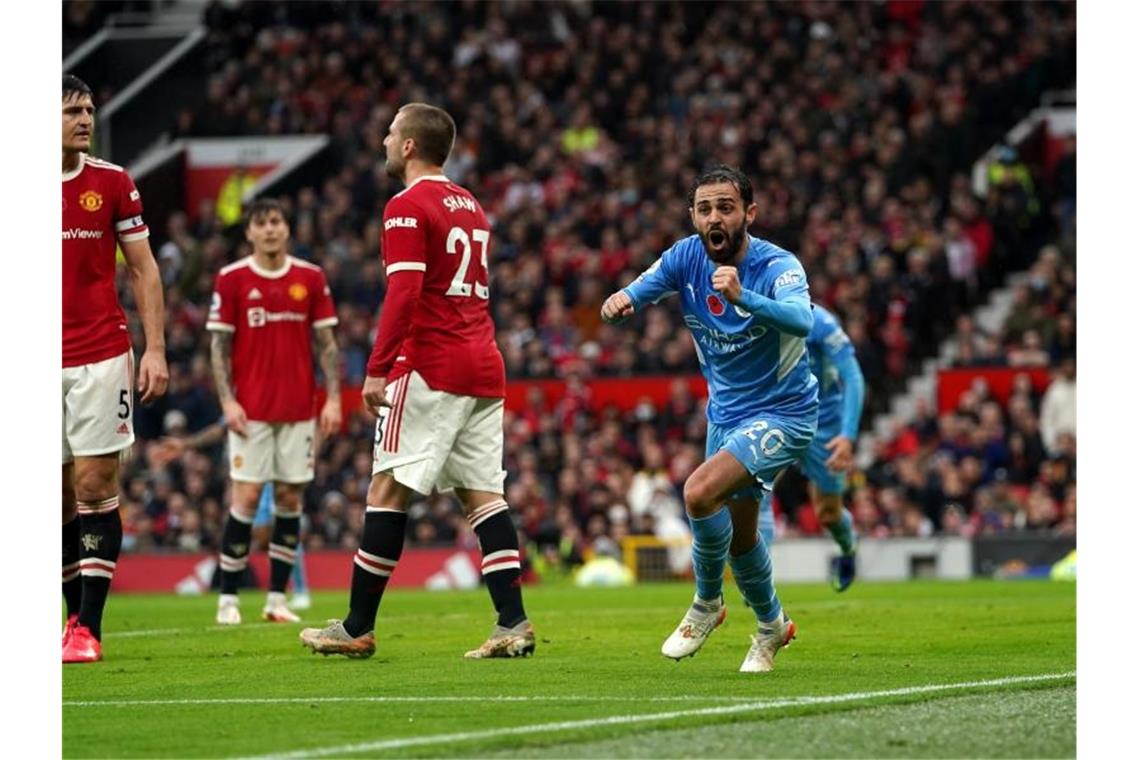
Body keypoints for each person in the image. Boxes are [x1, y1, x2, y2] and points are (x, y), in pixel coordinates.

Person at [300, 103, 535, 660]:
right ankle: (513, 624)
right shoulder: (471, 205)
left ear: (408, 146)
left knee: (386, 490)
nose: (383, 140)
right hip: (483, 365)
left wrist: (377, 366)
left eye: (389, 133)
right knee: (484, 498)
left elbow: (404, 293)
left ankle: (357, 625)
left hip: (431, 365)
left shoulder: (407, 206)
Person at [601, 165, 818, 673]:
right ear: (693, 218)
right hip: (726, 416)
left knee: (698, 493)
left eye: (725, 207)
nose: (714, 217)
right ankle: (771, 626)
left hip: (784, 413)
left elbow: (803, 320)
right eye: (704, 209)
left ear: (749, 213)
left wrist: (746, 297)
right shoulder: (685, 257)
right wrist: (623, 300)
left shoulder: (778, 265)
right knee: (742, 537)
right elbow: (645, 284)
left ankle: (707, 603)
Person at [62, 74, 170, 663]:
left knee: (94, 487)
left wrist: (154, 348)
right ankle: (69, 617)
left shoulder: (112, 183)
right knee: (53, 499)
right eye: (72, 110)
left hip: (101, 355)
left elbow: (143, 269)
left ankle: (88, 628)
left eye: (89, 108)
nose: (85, 118)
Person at [206, 198, 341, 624]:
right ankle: (228, 599)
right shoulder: (231, 280)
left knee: (289, 498)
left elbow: (327, 344)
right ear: (249, 232)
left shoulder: (310, 277)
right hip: (252, 413)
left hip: (299, 410)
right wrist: (227, 401)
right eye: (261, 223)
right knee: (245, 499)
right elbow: (219, 347)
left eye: (276, 222)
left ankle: (276, 600)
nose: (269, 230)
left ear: (287, 228)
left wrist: (333, 399)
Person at [759, 304, 864, 590]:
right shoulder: (759, 314)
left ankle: (847, 547)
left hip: (824, 424)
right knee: (756, 489)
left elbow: (853, 377)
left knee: (827, 513)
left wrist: (848, 435)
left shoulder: (822, 323)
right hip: (778, 417)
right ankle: (758, 574)